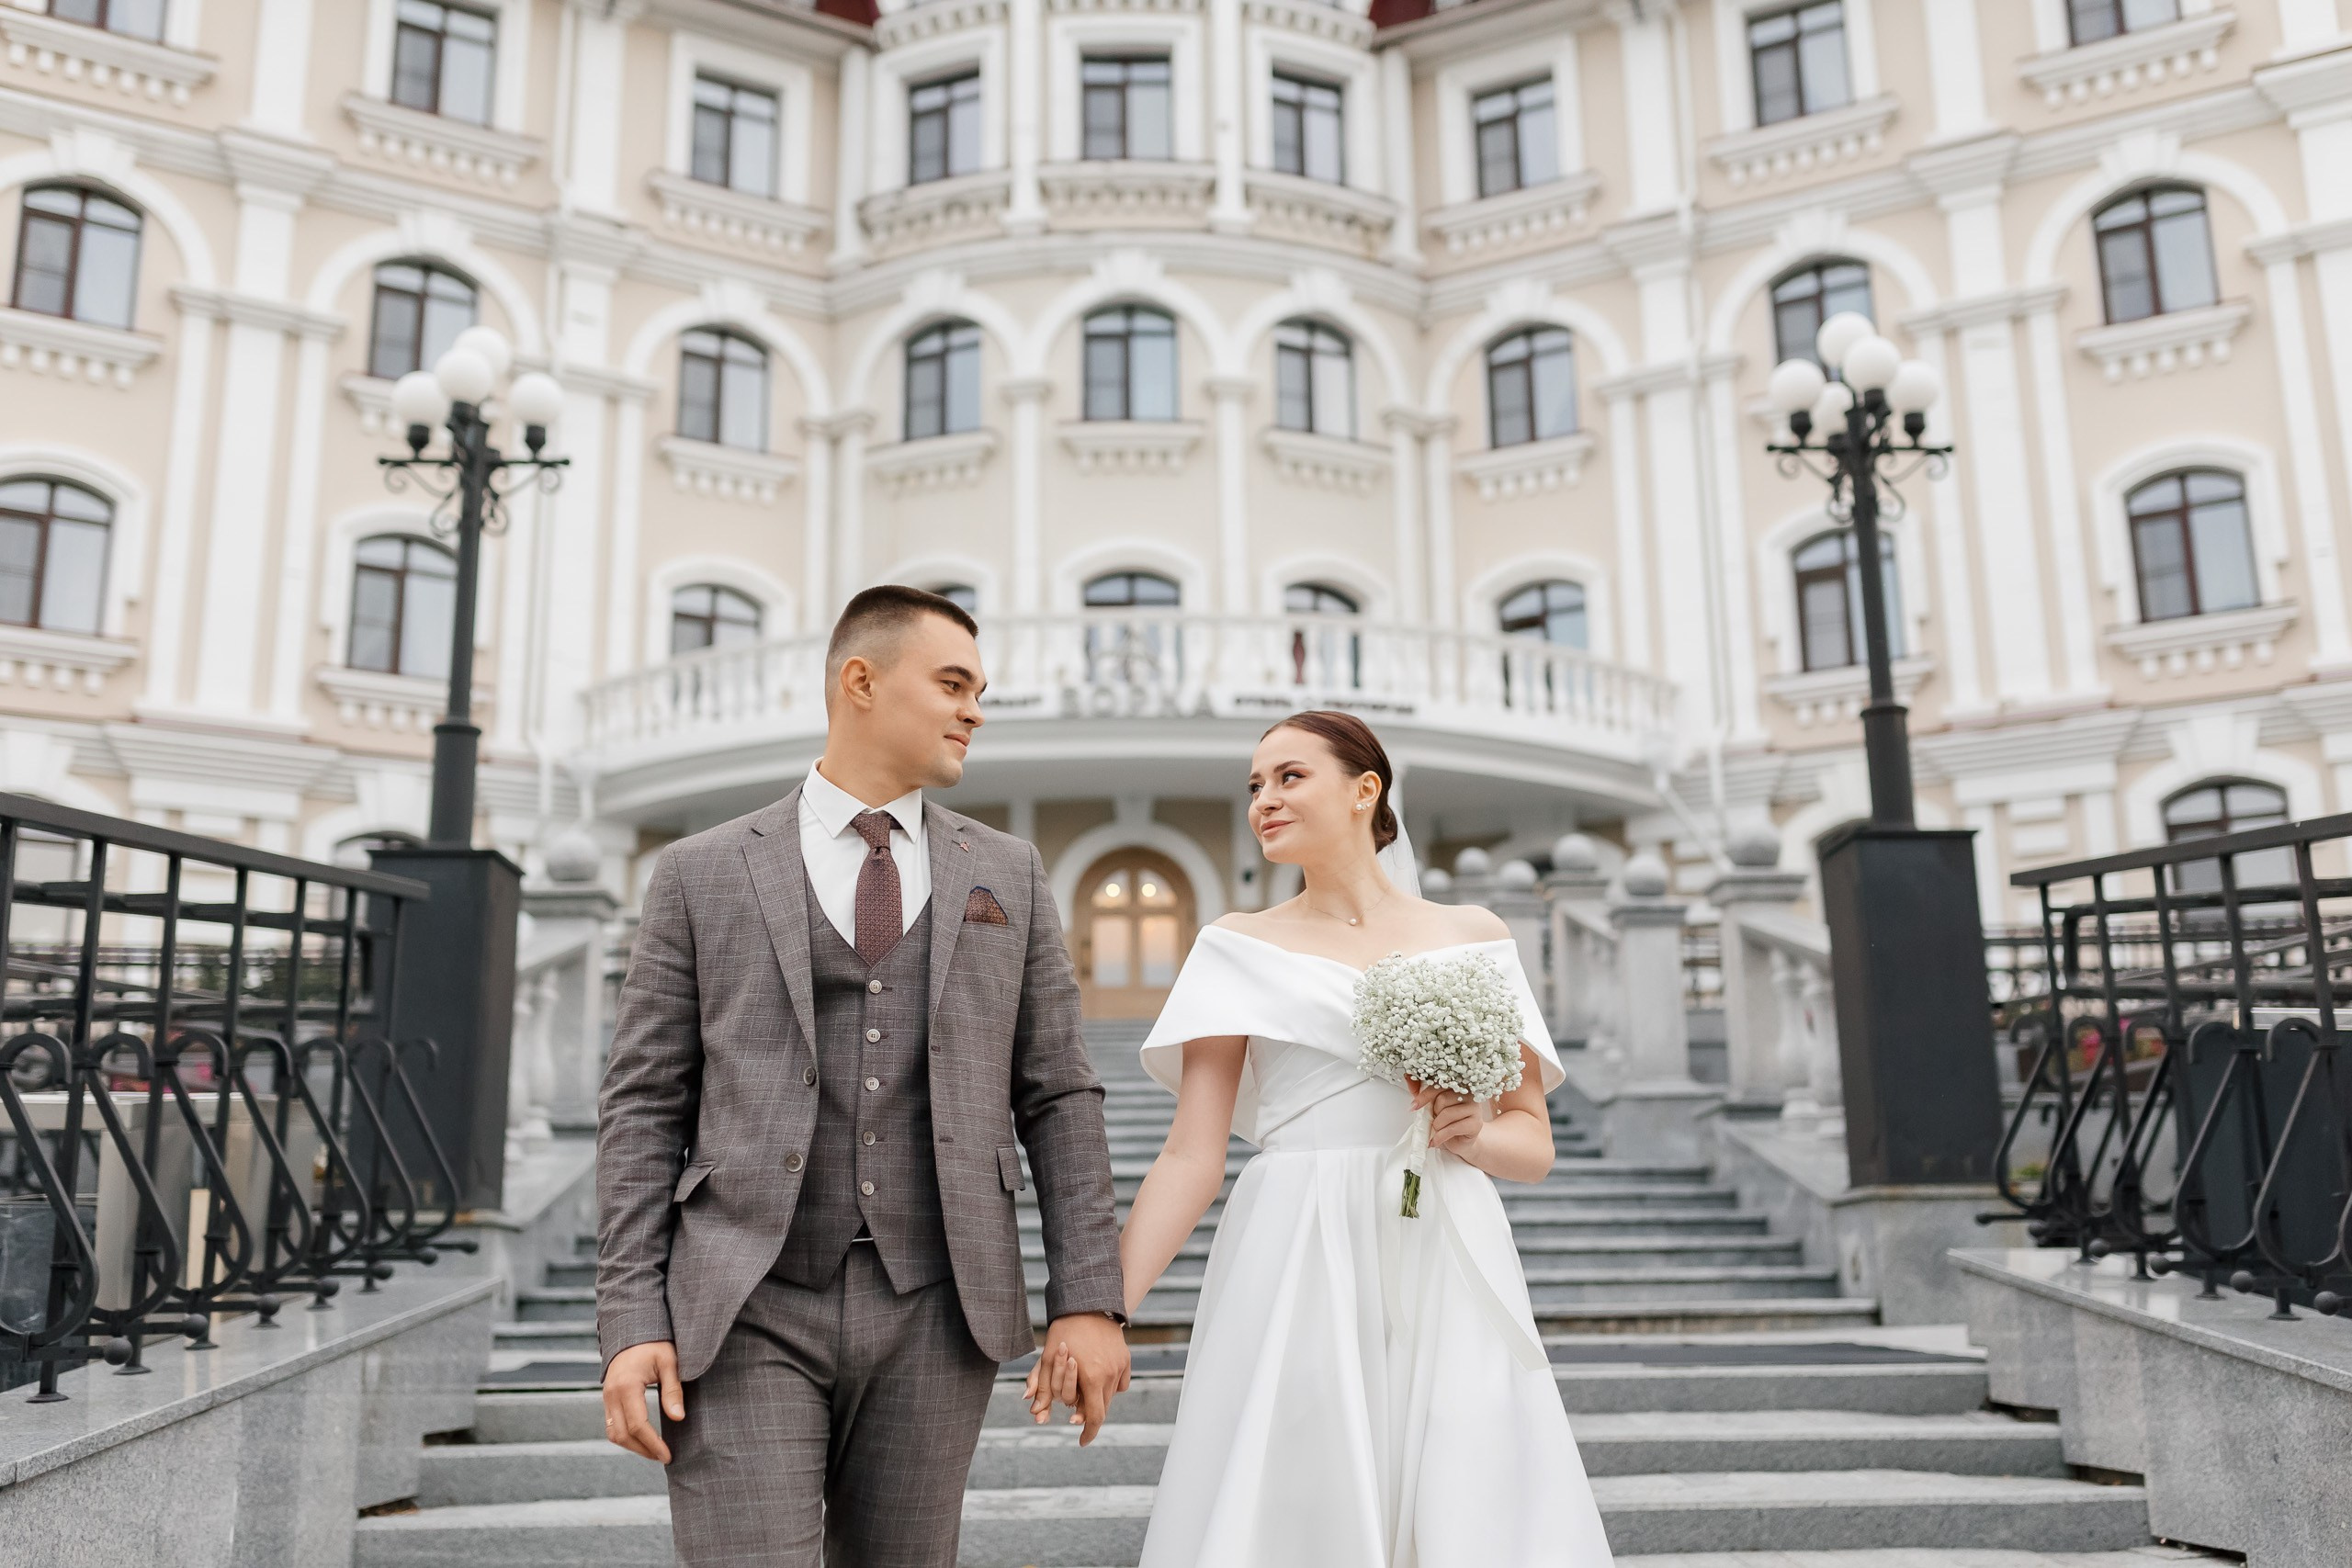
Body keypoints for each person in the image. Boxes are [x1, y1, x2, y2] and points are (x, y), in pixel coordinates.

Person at [597, 584, 1132, 1567]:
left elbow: (1058, 1094)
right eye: (953, 683)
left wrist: (1087, 1301)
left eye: (981, 689)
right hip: (743, 1303)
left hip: (937, 1305)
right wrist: (631, 1319)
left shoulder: (1006, 873)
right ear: (860, 681)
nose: (976, 709)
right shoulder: (700, 872)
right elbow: (642, 1107)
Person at [1036, 710, 1613, 1566]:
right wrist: (1099, 1308)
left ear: (1365, 790)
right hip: (1296, 1242)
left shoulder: (1475, 935)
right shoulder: (1235, 945)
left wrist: (1474, 1137)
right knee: (1300, 1486)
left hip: (1447, 1242)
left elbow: (1533, 1141)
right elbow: (1191, 1157)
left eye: (1290, 777)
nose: (1264, 799)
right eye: (1255, 786)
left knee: (1465, 1484)